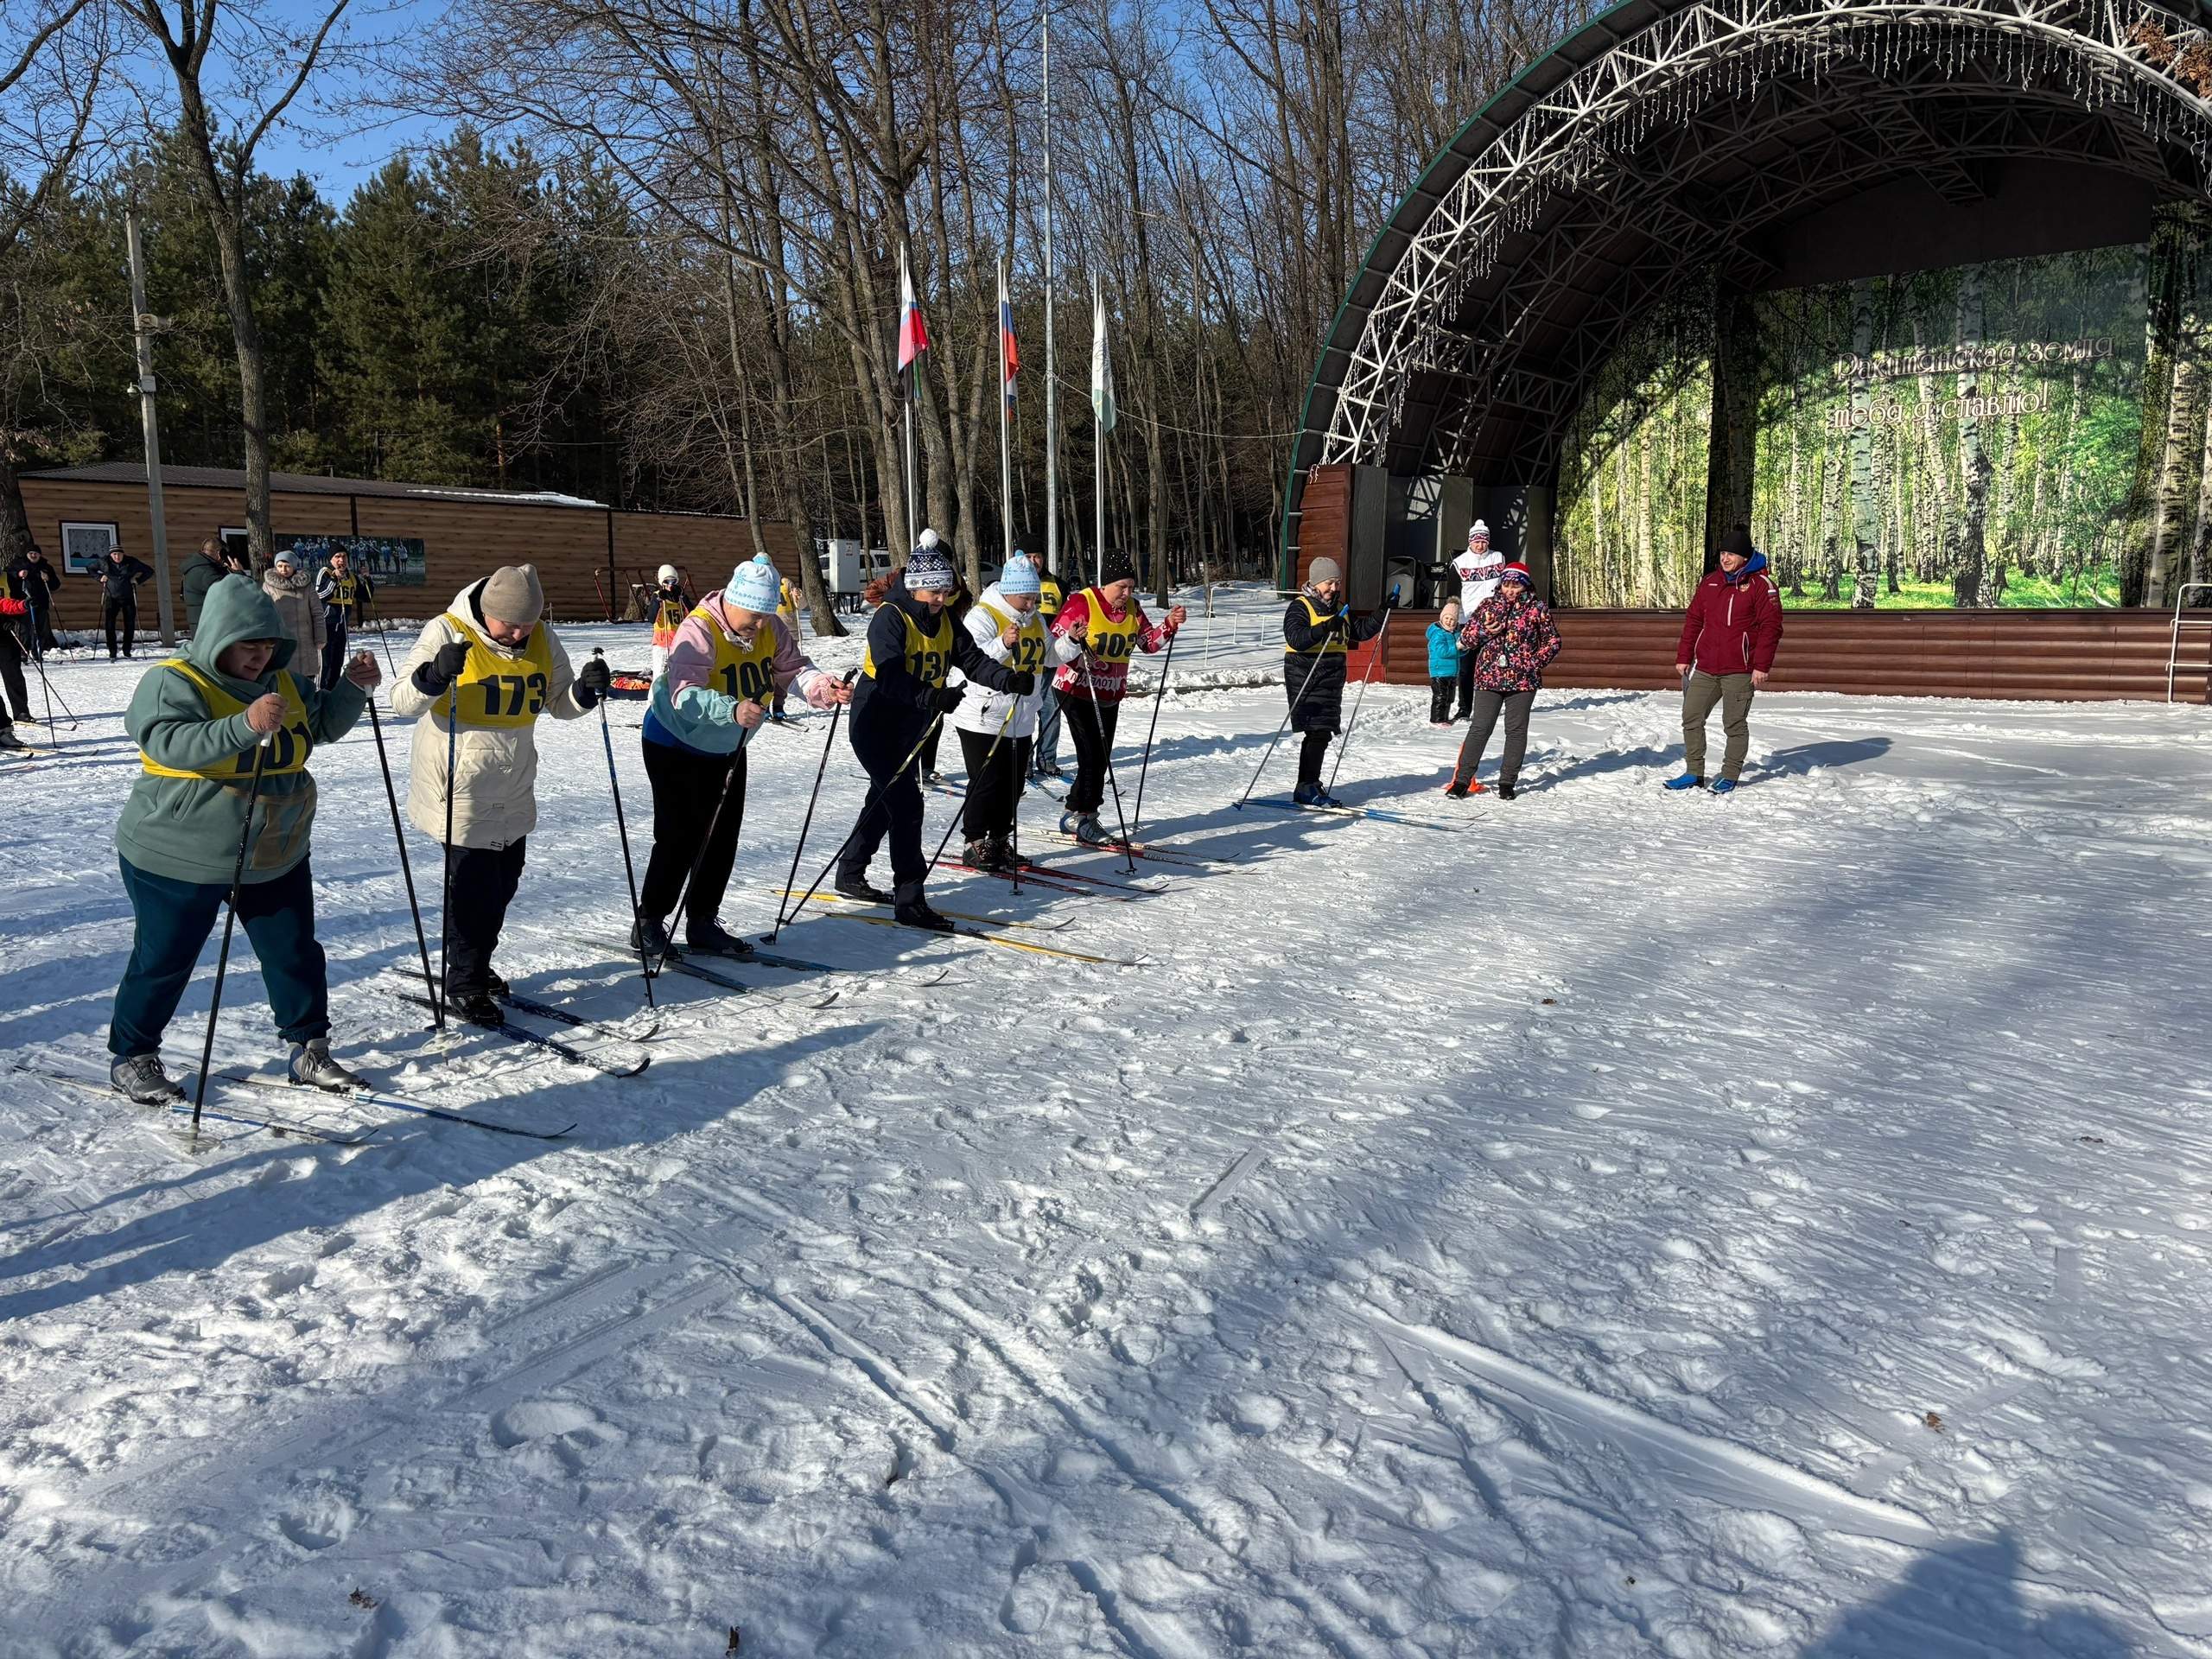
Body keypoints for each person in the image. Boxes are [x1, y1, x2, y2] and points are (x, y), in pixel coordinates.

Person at [105, 574, 381, 1104]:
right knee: (164, 958)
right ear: (216, 639)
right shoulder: (172, 681)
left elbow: (319, 727)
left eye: (268, 645)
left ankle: (308, 1048)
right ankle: (133, 1055)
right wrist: (244, 725)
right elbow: (168, 743)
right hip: (178, 852)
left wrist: (352, 688)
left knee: (294, 952)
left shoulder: (288, 683)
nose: (259, 657)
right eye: (247, 646)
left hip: (274, 847)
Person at [391, 563, 608, 1026]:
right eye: (508, 624)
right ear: (486, 611)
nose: (518, 633)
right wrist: (433, 674)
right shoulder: (446, 630)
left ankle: (477, 962)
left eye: (526, 624)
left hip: (513, 784)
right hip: (460, 785)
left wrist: (585, 693)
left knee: (504, 881)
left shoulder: (543, 639)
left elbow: (558, 704)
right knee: (473, 887)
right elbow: (401, 702)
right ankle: (465, 980)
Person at [633, 553, 849, 962]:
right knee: (680, 835)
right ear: (733, 602)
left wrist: (824, 686)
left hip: (729, 746)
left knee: (721, 836)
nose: (762, 625)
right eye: (754, 615)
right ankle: (648, 921)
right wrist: (730, 710)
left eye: (768, 616)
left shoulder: (769, 629)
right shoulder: (699, 629)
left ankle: (702, 921)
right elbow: (683, 694)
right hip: (674, 741)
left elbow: (793, 669)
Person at [836, 532, 1031, 930]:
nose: (942, 599)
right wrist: (931, 697)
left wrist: (1008, 680)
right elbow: (889, 675)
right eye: (935, 592)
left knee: (885, 798)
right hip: (875, 724)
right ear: (915, 588)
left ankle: (850, 872)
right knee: (907, 805)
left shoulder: (945, 620)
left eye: (946, 591)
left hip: (912, 724)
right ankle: (910, 899)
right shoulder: (891, 617)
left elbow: (973, 660)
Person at [1050, 550, 1185, 844]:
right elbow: (1054, 643)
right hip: (1077, 689)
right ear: (1105, 584)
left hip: (1110, 693)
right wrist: (1074, 640)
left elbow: (1148, 643)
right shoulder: (1081, 602)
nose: (1126, 593)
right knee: (1092, 756)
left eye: (1131, 587)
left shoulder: (1134, 609)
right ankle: (1084, 817)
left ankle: (1074, 810)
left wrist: (1170, 625)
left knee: (1100, 756)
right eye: (1121, 587)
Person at [1668, 525, 1783, 796]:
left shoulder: (1761, 586)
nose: (1725, 558)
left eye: (1731, 553)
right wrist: (1685, 656)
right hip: (1707, 667)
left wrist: (1761, 666)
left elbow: (1771, 628)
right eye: (1722, 552)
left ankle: (1729, 774)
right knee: (1691, 716)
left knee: (1733, 724)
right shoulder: (1710, 582)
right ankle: (1693, 772)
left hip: (1740, 670)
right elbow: (1694, 620)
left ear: (1745, 556)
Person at [954, 554, 1051, 870]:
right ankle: (975, 842)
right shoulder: (983, 615)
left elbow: (1049, 654)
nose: (1030, 603)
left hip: (1020, 713)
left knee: (1013, 783)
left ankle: (999, 840)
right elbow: (971, 660)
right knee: (987, 780)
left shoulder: (1035, 618)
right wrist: (1003, 644)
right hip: (982, 713)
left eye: (1034, 597)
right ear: (1010, 591)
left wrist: (1073, 642)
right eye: (1025, 597)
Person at [1444, 563, 1560, 800]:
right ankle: (1462, 781)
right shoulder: (1488, 606)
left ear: (1525, 585)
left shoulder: (1537, 609)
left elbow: (1553, 641)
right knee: (1480, 728)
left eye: (1515, 585)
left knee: (1516, 731)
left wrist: (1534, 661)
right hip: (1489, 677)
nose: (1509, 590)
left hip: (1523, 680)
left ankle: (1507, 782)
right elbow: (1466, 637)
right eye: (1506, 584)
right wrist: (1486, 632)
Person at [1281, 556, 1389, 807]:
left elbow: (1360, 632)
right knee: (1317, 731)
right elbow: (1296, 638)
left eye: (1337, 583)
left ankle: (1307, 786)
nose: (1334, 588)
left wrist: (1383, 609)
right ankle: (1308, 786)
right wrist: (1325, 627)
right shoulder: (1300, 607)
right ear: (1316, 582)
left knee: (1323, 733)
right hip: (1306, 676)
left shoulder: (1339, 608)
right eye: (1329, 582)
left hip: (1331, 678)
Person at [1450, 520, 1503, 719]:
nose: (1480, 545)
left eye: (1483, 541)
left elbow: (1505, 588)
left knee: (1494, 665)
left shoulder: (1498, 558)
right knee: (1466, 668)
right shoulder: (1459, 563)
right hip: (1468, 621)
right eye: (1476, 541)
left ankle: (1491, 707)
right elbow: (1453, 596)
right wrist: (1454, 620)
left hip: (1493, 621)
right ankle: (1464, 709)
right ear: (1470, 542)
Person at [261, 550, 326, 683]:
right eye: (280, 566)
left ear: (294, 566)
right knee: (284, 680)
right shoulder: (268, 587)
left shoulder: (307, 586)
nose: (283, 570)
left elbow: (317, 613)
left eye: (287, 566)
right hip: (282, 639)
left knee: (307, 682)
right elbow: (265, 614)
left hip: (305, 640)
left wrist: (320, 637)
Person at [315, 547, 375, 691]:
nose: (342, 560)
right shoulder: (326, 572)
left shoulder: (352, 576)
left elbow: (366, 597)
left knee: (337, 663)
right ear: (331, 560)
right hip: (326, 625)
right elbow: (320, 595)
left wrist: (367, 579)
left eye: (344, 556)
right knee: (325, 663)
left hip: (342, 626)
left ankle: (332, 692)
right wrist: (334, 579)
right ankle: (320, 693)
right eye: (337, 556)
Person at [1027, 564, 1066, 782]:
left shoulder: (1058, 584)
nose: (1034, 561)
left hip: (1051, 662)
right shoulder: (1018, 583)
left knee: (1051, 714)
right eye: (1029, 556)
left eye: (1038, 555)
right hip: (1028, 665)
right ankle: (1024, 761)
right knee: (1025, 715)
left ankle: (1047, 759)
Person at [98, 545, 155, 660]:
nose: (117, 556)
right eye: (114, 554)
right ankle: (112, 650)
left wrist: (138, 580)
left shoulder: (132, 562)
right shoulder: (104, 562)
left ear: (123, 554)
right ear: (110, 555)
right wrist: (100, 577)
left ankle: (127, 649)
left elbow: (149, 571)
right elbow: (90, 568)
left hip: (128, 596)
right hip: (111, 597)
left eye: (119, 554)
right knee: (110, 624)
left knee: (129, 624)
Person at [9, 543, 60, 656]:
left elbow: (55, 585)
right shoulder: (17, 564)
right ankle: (23, 652)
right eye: (30, 553)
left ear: (40, 555)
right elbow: (8, 577)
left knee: (40, 629)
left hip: (40, 602)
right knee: (24, 629)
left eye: (36, 553)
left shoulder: (46, 567)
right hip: (23, 602)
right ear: (26, 554)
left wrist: (48, 578)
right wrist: (18, 574)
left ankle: (37, 652)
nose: (33, 555)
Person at [647, 563, 690, 679]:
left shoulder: (680, 597)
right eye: (667, 582)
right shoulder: (658, 596)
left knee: (680, 673)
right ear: (661, 583)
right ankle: (656, 696)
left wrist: (683, 598)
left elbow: (692, 615)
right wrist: (658, 601)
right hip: (663, 643)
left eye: (673, 581)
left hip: (679, 641)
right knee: (661, 675)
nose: (670, 585)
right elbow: (651, 618)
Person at [181, 537, 231, 634]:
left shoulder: (196, 568)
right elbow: (232, 591)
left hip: (202, 626)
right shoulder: (207, 573)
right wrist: (239, 574)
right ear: (220, 554)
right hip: (210, 629)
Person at [1427, 599, 1463, 727]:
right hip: (1440, 670)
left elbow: (1458, 653)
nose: (1449, 621)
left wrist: (1464, 648)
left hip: (1452, 671)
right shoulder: (1438, 634)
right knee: (1440, 696)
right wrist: (1457, 647)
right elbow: (1443, 652)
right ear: (1442, 618)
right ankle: (1436, 720)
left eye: (1452, 619)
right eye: (1446, 618)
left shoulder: (1455, 634)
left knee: (1449, 697)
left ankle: (1444, 718)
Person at [772, 572, 800, 721]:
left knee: (784, 671)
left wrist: (798, 596)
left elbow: (801, 606)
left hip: (790, 632)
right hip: (769, 633)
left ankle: (778, 705)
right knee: (766, 673)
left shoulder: (785, 583)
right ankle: (762, 705)